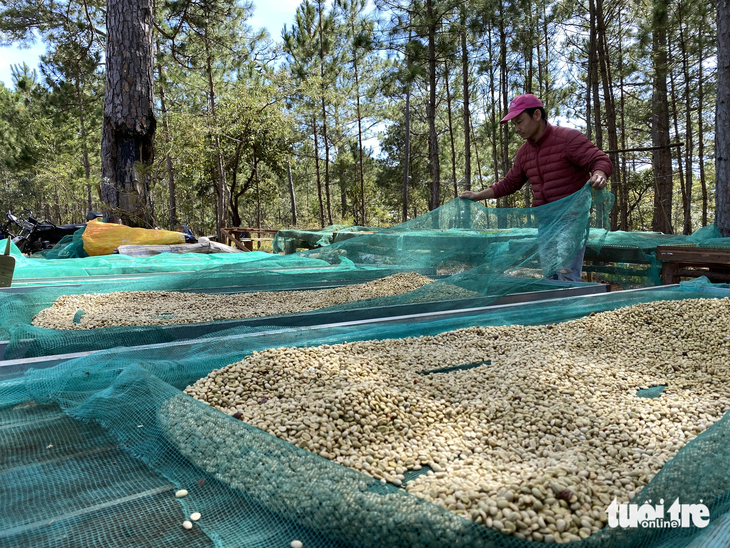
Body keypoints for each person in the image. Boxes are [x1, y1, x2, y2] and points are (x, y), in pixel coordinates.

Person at [459, 94, 612, 281]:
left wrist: (599, 174)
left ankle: (570, 307)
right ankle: (552, 308)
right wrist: (477, 195)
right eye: (514, 124)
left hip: (571, 220)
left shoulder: (568, 139)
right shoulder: (524, 153)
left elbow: (599, 159)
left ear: (537, 115)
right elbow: (510, 183)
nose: (516, 129)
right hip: (546, 222)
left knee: (566, 273)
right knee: (550, 275)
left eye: (520, 121)